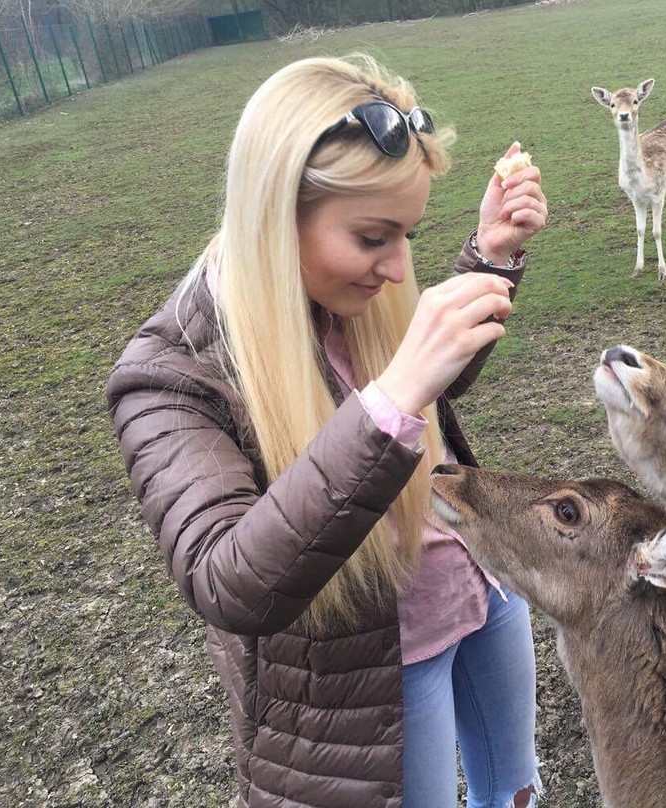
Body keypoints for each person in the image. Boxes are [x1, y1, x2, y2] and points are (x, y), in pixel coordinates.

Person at [105, 55, 548, 808]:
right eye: (375, 237)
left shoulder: (344, 290)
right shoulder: (170, 376)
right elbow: (231, 583)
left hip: (478, 588)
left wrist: (490, 259)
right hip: (371, 667)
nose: (398, 266)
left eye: (408, 233)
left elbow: (427, 407)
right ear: (277, 210)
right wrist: (395, 394)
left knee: (516, 791)